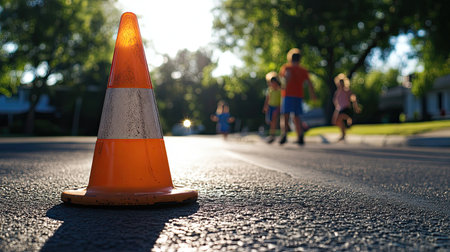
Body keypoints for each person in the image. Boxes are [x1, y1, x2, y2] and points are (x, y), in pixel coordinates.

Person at [279, 48, 317, 145]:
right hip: (298, 95)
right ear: (300, 59)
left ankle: (284, 134)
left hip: (288, 95)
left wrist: (284, 85)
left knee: (286, 116)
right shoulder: (303, 70)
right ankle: (300, 136)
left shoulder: (287, 68)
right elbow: (309, 83)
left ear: (290, 58)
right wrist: (313, 95)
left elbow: (286, 78)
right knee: (296, 116)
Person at [332, 73, 361, 141]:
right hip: (340, 109)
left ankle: (349, 120)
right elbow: (335, 102)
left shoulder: (347, 91)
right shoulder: (337, 92)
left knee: (340, 117)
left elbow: (354, 99)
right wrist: (336, 110)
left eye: (342, 83)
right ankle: (343, 134)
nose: (341, 84)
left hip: (346, 108)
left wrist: (356, 107)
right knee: (336, 121)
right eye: (340, 83)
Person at [262, 72, 282, 143]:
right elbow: (267, 99)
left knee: (274, 121)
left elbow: (281, 100)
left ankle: (273, 135)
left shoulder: (280, 91)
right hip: (270, 107)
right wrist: (265, 106)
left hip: (276, 107)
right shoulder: (270, 90)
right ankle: (272, 134)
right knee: (269, 121)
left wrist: (279, 108)